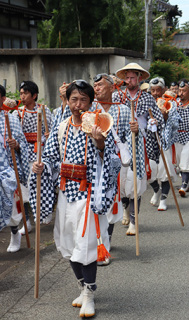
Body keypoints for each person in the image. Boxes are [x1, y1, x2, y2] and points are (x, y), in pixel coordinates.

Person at [30, 80, 121, 318]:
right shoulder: (62, 127)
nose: (78, 105)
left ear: (91, 102)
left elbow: (112, 160)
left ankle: (90, 295)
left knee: (87, 245)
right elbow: (50, 156)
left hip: (89, 194)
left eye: (83, 100)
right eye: (74, 99)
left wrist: (99, 142)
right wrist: (41, 166)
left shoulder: (101, 124)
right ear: (67, 101)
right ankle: (83, 287)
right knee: (69, 244)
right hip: (66, 193)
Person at [93, 73, 145, 238]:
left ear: (111, 87)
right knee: (101, 199)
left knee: (127, 191)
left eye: (100, 85)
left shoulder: (124, 109)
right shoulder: (90, 109)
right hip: (97, 160)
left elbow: (132, 137)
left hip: (119, 159)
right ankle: (103, 240)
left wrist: (136, 131)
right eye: (95, 86)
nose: (96, 88)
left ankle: (132, 220)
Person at [113, 63, 164, 220]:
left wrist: (154, 122)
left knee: (137, 179)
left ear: (139, 78)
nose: (129, 80)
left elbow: (159, 119)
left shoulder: (147, 98)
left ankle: (134, 219)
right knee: (121, 180)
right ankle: (125, 209)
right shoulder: (117, 96)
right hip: (120, 142)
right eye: (127, 77)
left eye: (132, 78)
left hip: (140, 141)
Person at [13, 81, 53, 234]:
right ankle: (27, 221)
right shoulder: (17, 112)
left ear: (34, 95)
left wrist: (46, 137)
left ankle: (45, 211)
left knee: (42, 183)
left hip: (39, 151)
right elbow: (16, 133)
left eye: (25, 93)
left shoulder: (43, 110)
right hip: (23, 153)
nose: (22, 96)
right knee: (23, 188)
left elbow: (50, 130)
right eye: (21, 93)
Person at [0, 85, 29, 252]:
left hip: (8, 169)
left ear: (3, 99)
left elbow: (23, 144)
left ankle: (14, 233)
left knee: (11, 206)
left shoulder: (10, 119)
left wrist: (16, 145)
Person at [148, 78, 180, 210]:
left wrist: (166, 118)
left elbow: (177, 123)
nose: (155, 93)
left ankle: (163, 200)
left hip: (164, 143)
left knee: (165, 173)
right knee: (148, 172)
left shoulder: (171, 104)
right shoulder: (145, 102)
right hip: (149, 143)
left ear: (163, 90)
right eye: (153, 90)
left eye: (158, 90)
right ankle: (156, 190)